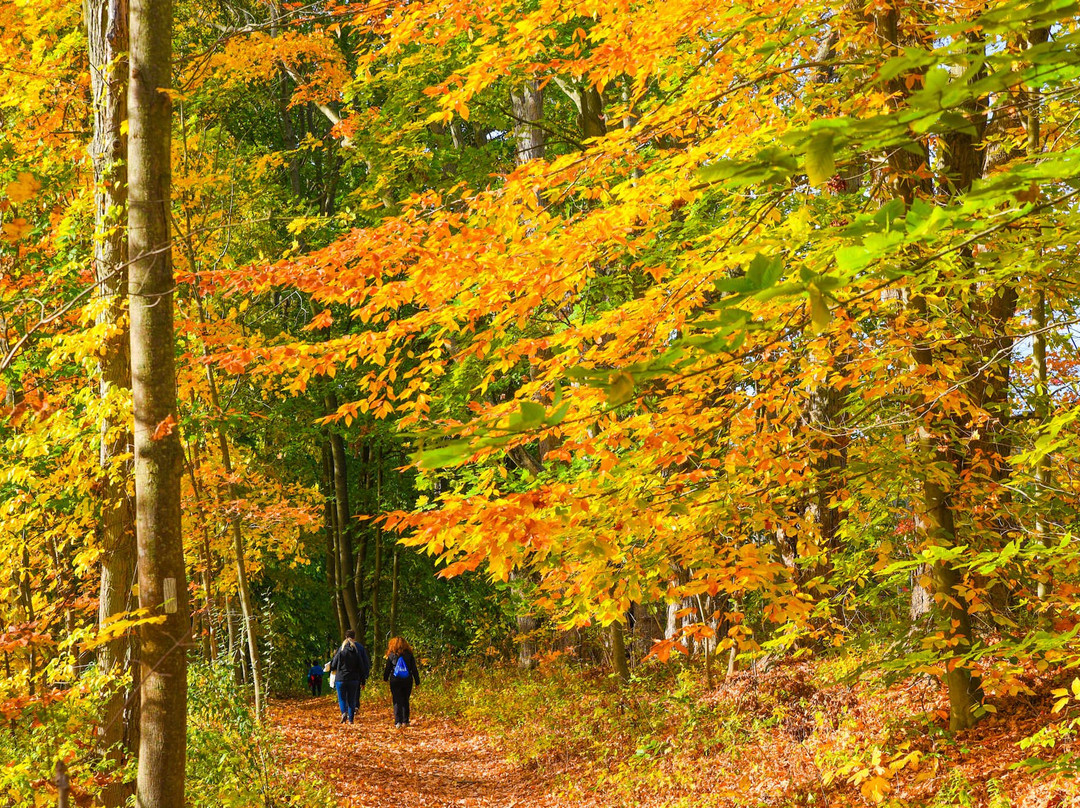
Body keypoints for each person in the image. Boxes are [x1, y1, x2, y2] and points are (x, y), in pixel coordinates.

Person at [329, 630, 371, 724]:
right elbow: (362, 666)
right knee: (352, 700)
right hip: (354, 679)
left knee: (342, 699)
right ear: (354, 637)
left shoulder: (341, 650)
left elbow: (333, 664)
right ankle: (351, 720)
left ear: (345, 637)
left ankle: (344, 712)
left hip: (341, 678)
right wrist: (363, 680)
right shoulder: (357, 651)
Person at [382, 637, 421, 728]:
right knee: (405, 699)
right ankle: (405, 721)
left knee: (396, 700)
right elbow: (414, 669)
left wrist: (385, 678)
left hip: (395, 680)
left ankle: (397, 722)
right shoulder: (409, 655)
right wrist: (417, 681)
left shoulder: (392, 655)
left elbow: (388, 668)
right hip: (407, 680)